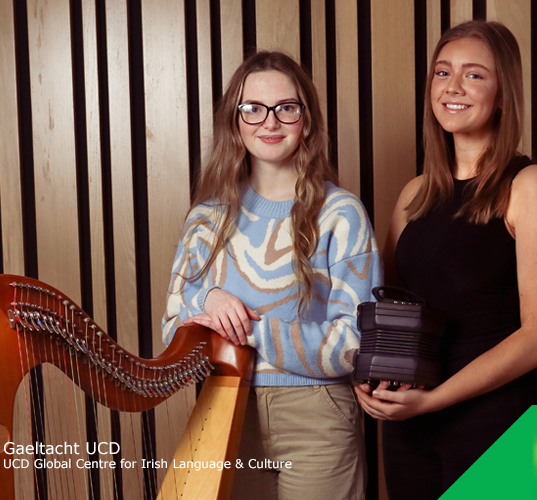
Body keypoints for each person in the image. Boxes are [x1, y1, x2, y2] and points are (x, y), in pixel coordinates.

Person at [355, 20, 537, 499]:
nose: (453, 87)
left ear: (502, 94)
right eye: (442, 72)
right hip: (410, 429)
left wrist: (432, 401)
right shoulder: (415, 193)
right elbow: (384, 311)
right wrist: (366, 380)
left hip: (500, 425)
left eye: (474, 75)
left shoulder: (530, 185)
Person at [162, 51, 382, 500]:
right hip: (225, 412)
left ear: (307, 119)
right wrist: (207, 301)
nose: (271, 122)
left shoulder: (342, 214)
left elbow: (355, 344)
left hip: (318, 419)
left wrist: (248, 329)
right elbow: (172, 328)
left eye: (287, 107)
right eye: (253, 109)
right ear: (235, 121)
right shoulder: (206, 219)